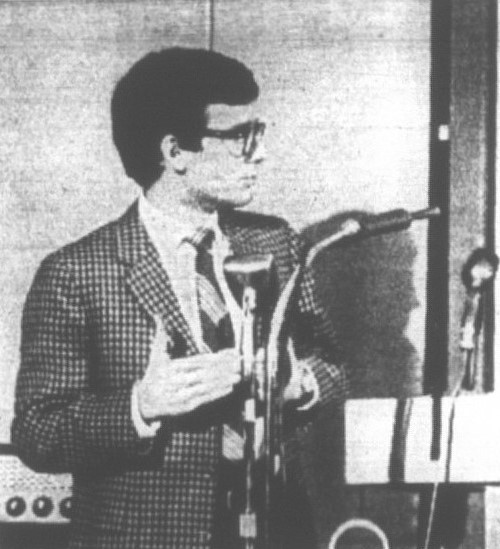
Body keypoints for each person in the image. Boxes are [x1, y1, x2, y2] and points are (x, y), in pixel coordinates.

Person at [12, 47, 348, 548]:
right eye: (241, 138)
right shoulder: (75, 273)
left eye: (259, 134)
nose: (260, 153)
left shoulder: (276, 241)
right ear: (175, 153)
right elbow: (38, 433)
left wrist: (299, 384)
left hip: (278, 530)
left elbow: (333, 364)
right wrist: (141, 405)